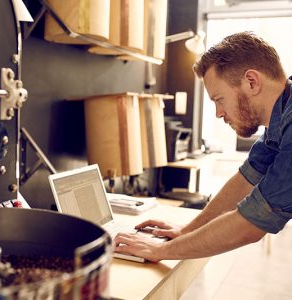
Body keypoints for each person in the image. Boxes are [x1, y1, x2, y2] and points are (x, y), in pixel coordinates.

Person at [114, 31, 292, 262]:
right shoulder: (281, 115)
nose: (219, 113)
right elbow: (248, 177)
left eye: (219, 99)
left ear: (251, 81)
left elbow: (252, 222)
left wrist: (159, 251)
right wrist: (186, 231)